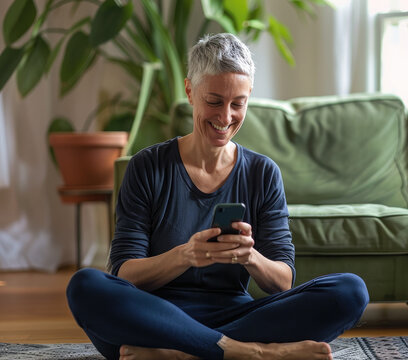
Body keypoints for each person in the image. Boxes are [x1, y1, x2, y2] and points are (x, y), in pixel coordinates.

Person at [67, 33, 369, 360]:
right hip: (154, 316)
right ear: (189, 92)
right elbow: (125, 274)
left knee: (350, 290)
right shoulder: (147, 167)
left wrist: (250, 256)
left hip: (235, 316)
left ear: (249, 96)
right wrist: (185, 255)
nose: (225, 118)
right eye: (214, 101)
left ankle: (183, 354)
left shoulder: (263, 173)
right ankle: (249, 353)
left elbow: (282, 282)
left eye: (237, 103)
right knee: (85, 286)